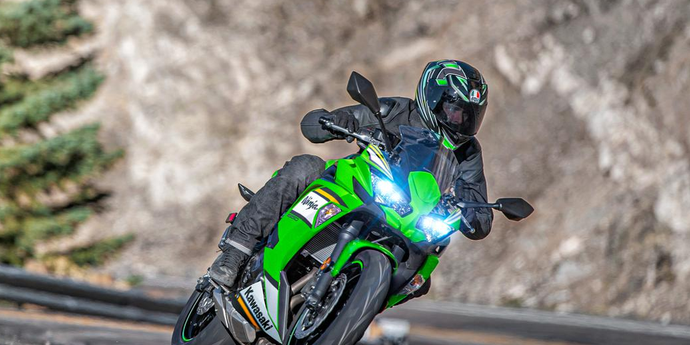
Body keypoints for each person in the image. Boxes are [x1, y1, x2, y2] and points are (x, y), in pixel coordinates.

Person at [208, 60, 494, 289]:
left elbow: (480, 214)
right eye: (455, 110)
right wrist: (337, 120)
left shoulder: (468, 152)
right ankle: (236, 252)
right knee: (306, 167)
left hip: (410, 219)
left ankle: (346, 309)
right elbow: (312, 125)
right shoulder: (393, 111)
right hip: (363, 186)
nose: (461, 121)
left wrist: (471, 211)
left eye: (470, 116)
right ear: (432, 98)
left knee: (422, 275)